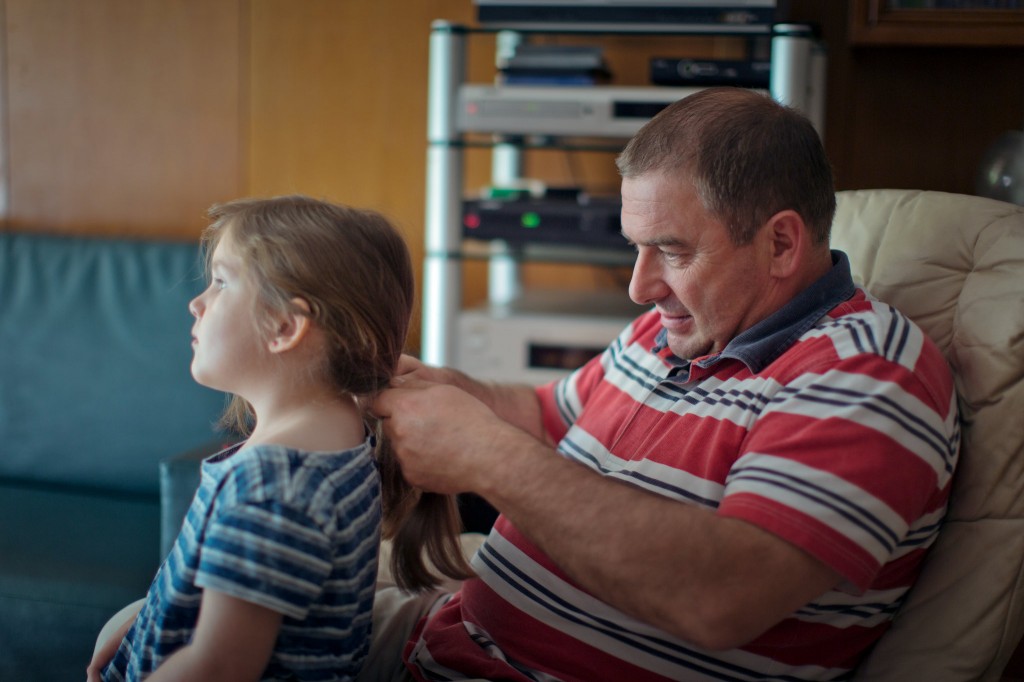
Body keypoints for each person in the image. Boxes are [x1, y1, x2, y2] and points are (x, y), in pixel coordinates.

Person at [371, 87, 961, 681]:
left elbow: (722, 598)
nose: (639, 287)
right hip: (445, 641)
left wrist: (486, 456)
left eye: (671, 252)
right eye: (636, 248)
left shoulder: (867, 376)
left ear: (781, 244)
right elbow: (549, 416)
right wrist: (447, 390)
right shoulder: (674, 326)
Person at [87, 196, 471, 682]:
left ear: (286, 326)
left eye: (221, 282)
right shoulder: (345, 438)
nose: (196, 302)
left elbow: (222, 666)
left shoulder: (273, 488)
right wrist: (148, 616)